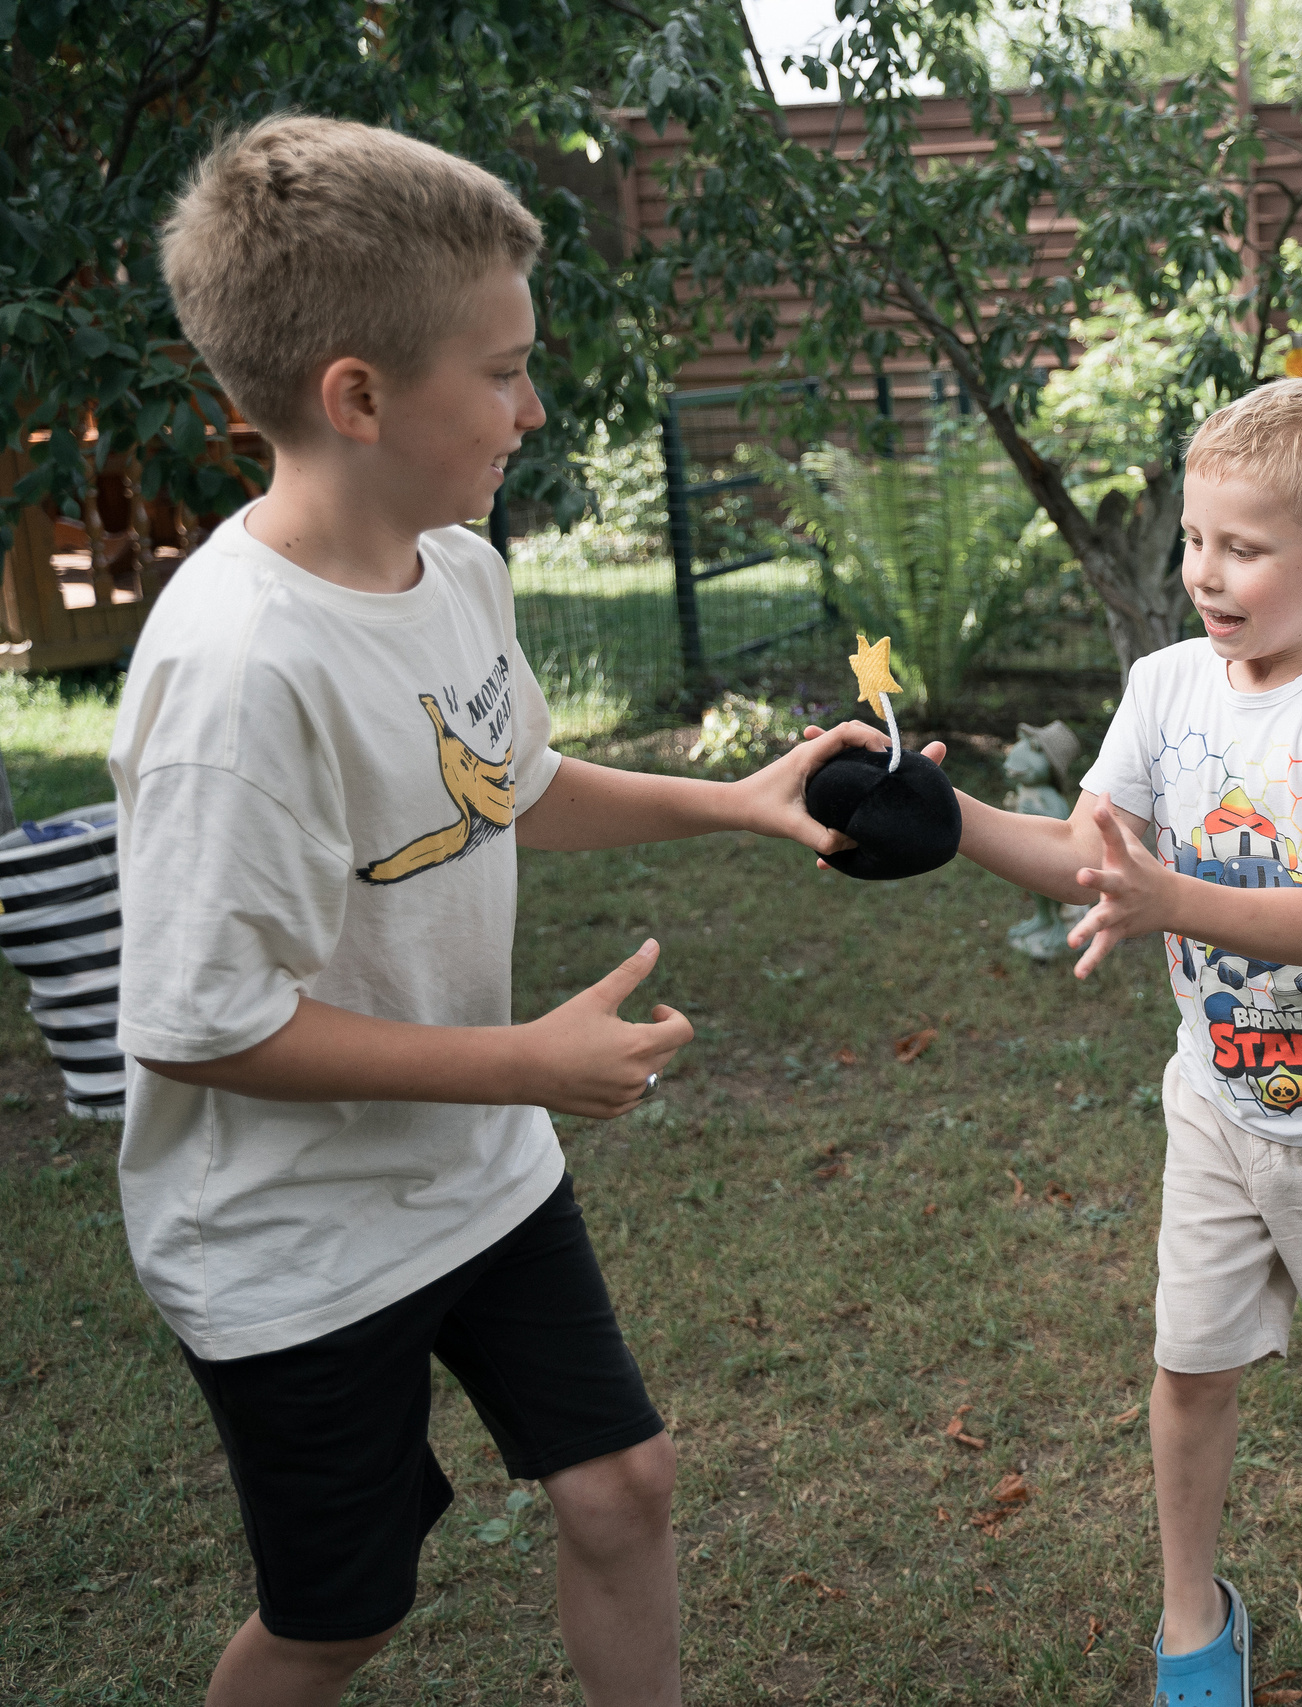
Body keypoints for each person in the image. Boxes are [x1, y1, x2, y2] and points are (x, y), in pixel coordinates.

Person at [122, 115, 888, 1706]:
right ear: (357, 396)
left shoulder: (450, 566)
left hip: (475, 1175)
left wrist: (734, 802)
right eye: (503, 371)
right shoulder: (238, 675)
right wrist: (522, 1064)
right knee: (340, 1618)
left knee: (624, 1485)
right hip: (289, 1250)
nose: (531, 407)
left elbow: (511, 785)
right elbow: (207, 1025)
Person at [933, 377, 1302, 1702]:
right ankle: (1193, 1610)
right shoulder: (1166, 687)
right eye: (1195, 539)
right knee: (1188, 1363)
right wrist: (933, 816)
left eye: (1243, 548)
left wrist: (1166, 898)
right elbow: (1090, 857)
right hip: (1221, 1108)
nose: (1205, 573)